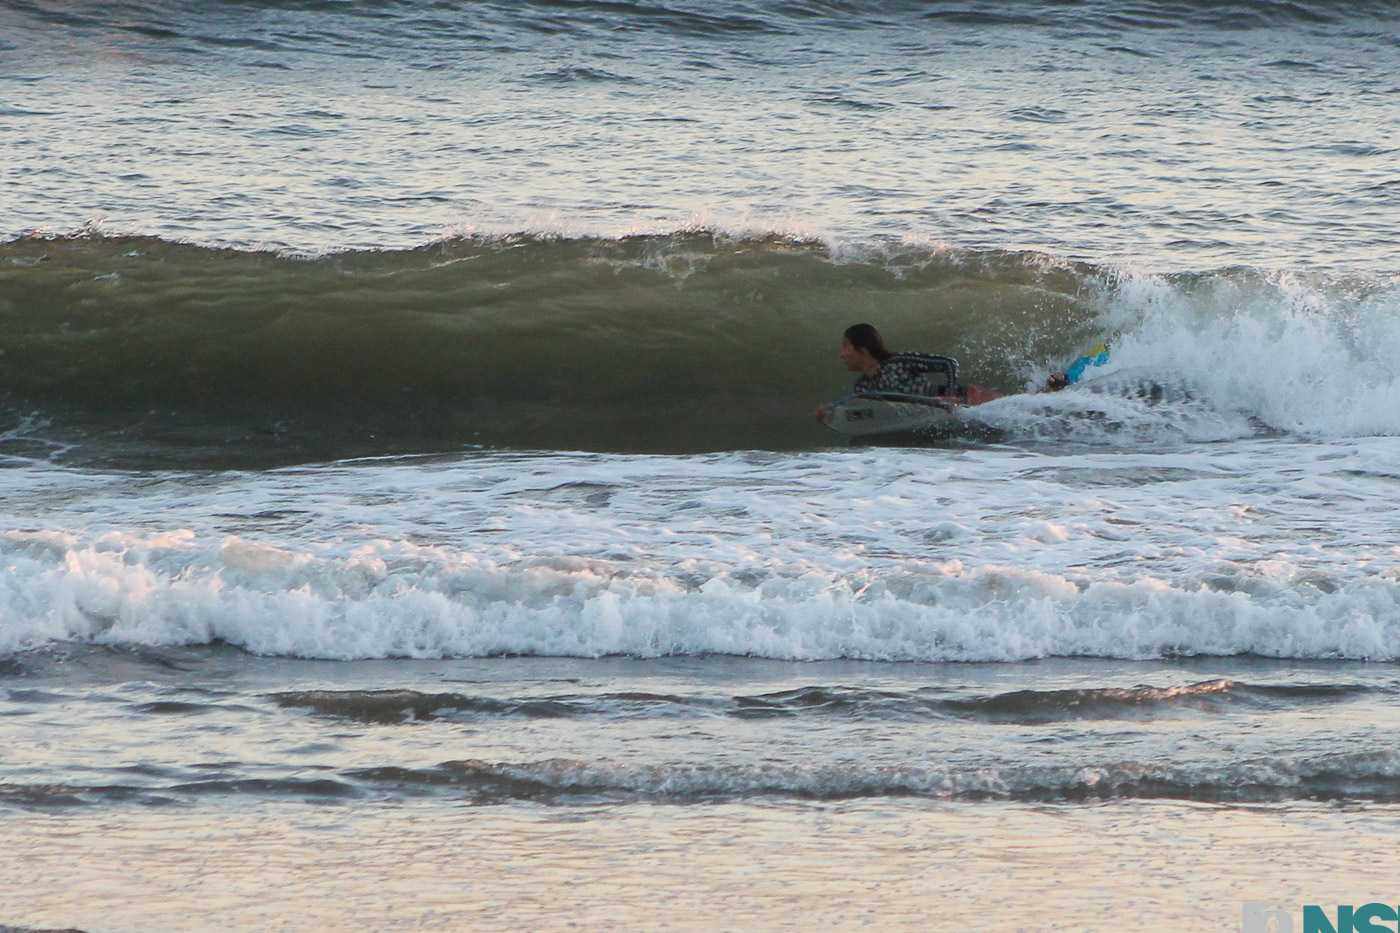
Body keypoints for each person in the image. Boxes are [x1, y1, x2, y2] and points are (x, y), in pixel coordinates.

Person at [815, 323, 1001, 421]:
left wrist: (949, 395)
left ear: (862, 350)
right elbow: (864, 414)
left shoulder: (899, 363)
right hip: (939, 416)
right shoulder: (862, 387)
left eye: (845, 347)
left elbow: (948, 363)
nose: (842, 355)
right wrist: (831, 413)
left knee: (1025, 415)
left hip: (974, 400)